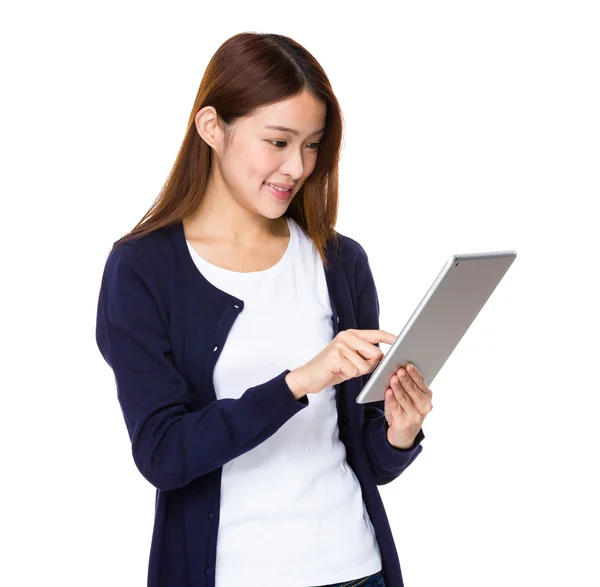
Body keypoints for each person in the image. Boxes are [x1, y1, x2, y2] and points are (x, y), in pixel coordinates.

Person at [95, 32, 433, 587]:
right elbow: (162, 453)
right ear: (212, 128)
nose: (297, 167)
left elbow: (367, 459)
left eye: (312, 144)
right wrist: (298, 381)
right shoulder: (142, 269)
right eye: (277, 142)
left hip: (356, 569)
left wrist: (399, 432)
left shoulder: (340, 261)